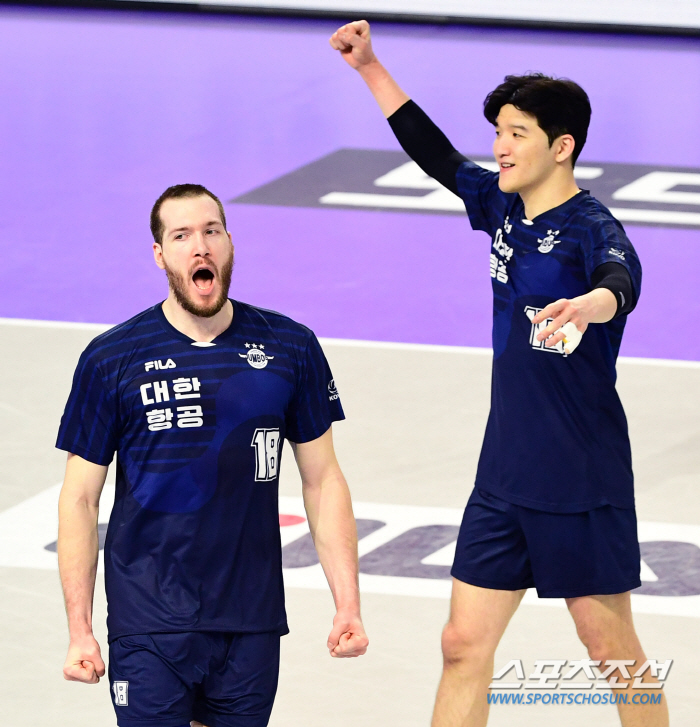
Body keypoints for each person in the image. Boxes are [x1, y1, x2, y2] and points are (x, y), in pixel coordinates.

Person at [330, 20, 668, 727]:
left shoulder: (593, 228)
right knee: (462, 644)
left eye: (517, 133)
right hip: (505, 474)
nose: (501, 146)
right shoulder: (503, 205)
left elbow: (621, 281)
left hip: (580, 478)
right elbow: (435, 154)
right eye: (499, 132)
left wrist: (589, 305)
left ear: (561, 146)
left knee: (611, 649)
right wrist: (369, 66)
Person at [56, 184, 368, 727]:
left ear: (229, 244)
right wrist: (79, 630)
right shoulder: (111, 358)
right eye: (181, 236)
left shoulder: (290, 347)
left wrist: (348, 604)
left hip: (250, 617)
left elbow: (323, 481)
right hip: (148, 617)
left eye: (211, 231)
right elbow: (80, 499)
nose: (200, 246)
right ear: (160, 255)